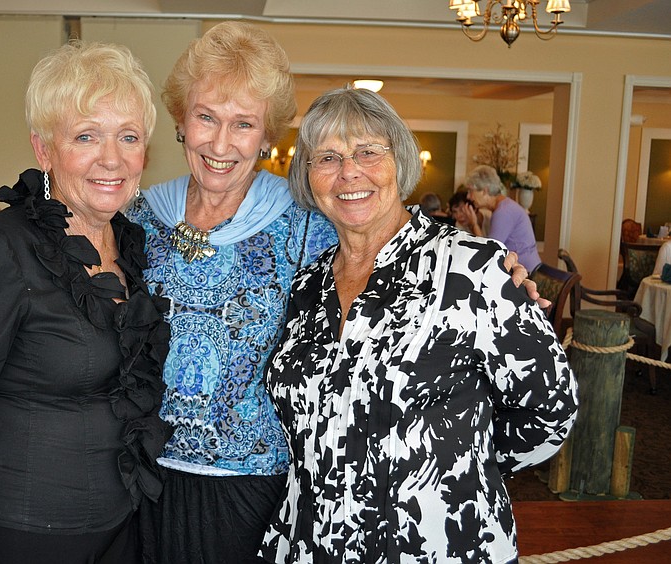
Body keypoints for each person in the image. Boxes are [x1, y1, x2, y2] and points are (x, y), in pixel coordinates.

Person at [125, 21, 536, 564]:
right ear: (180, 119)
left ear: (268, 134)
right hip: (147, 481)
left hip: (257, 491)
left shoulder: (305, 221)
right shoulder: (137, 218)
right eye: (206, 117)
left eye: (243, 123)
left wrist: (493, 275)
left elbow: (387, 238)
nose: (221, 143)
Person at [259, 87, 578, 564]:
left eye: (368, 151)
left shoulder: (472, 269)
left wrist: (465, 468)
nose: (349, 172)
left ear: (399, 161)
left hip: (437, 546)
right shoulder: (306, 286)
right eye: (327, 157)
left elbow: (553, 406)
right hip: (311, 544)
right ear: (308, 176)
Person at [0, 41, 171, 564]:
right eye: (85, 136)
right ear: (43, 148)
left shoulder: (134, 247)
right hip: (26, 533)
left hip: (122, 526)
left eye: (128, 136)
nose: (112, 158)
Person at [462, 164, 542, 273]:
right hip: (521, 269)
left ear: (485, 191)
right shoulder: (504, 207)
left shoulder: (504, 212)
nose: (468, 196)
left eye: (471, 191)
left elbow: (489, 252)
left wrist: (473, 224)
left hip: (525, 274)